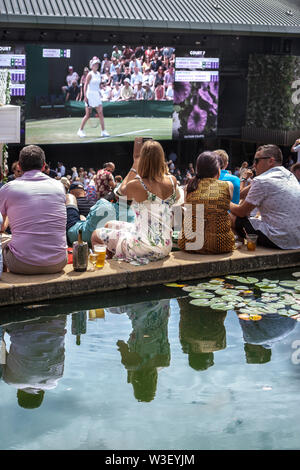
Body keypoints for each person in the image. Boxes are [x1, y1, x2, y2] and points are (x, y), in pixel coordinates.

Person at [91, 138, 179, 264]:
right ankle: (115, 256)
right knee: (109, 224)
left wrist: (135, 163)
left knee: (95, 235)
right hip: (165, 245)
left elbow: (119, 193)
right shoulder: (172, 181)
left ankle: (108, 268)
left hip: (144, 247)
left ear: (143, 160)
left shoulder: (138, 185)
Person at [0, 145, 67, 274]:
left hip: (21, 264)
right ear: (43, 166)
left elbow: (1, 227)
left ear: (19, 166)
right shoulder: (59, 186)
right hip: (59, 262)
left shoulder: (8, 188)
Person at [230, 144, 300, 250]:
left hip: (279, 239)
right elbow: (240, 194)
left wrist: (224, 200)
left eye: (256, 161)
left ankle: (236, 245)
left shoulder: (263, 180)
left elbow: (241, 212)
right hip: (296, 239)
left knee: (230, 216)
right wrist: (245, 179)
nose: (254, 165)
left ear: (270, 161)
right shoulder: (290, 176)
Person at [178, 151, 235, 254]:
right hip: (221, 245)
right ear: (218, 169)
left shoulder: (189, 187)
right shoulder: (228, 185)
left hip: (189, 244)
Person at [77, 57, 110, 138]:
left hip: (96, 95)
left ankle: (103, 131)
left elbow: (98, 85)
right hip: (89, 95)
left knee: (101, 113)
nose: (96, 65)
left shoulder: (99, 74)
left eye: (97, 64)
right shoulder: (89, 74)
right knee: (88, 115)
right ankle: (80, 130)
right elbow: (85, 85)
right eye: (95, 64)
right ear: (92, 66)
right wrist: (85, 96)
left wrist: (101, 89)